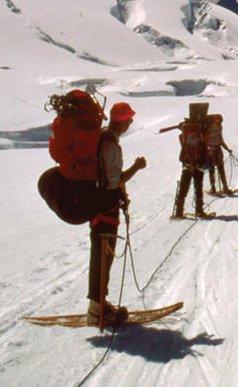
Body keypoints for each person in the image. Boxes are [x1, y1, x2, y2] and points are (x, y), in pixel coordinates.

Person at [87, 101, 146, 327]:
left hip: (99, 205)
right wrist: (136, 167)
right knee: (104, 255)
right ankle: (96, 309)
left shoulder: (103, 138)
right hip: (105, 206)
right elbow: (114, 181)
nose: (131, 123)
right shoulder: (110, 144)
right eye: (129, 120)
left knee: (102, 254)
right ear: (123, 121)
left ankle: (99, 304)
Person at [172, 116, 213, 219]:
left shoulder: (186, 143)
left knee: (183, 190)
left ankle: (179, 212)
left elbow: (181, 158)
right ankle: (199, 211)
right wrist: (197, 164)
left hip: (187, 168)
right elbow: (204, 156)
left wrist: (189, 164)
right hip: (199, 169)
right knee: (198, 190)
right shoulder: (202, 142)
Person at [204, 114, 236, 196]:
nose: (218, 121)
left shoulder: (219, 127)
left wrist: (227, 149)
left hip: (216, 150)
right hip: (213, 151)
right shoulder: (212, 127)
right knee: (214, 170)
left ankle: (217, 188)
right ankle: (218, 188)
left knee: (219, 170)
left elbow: (221, 140)